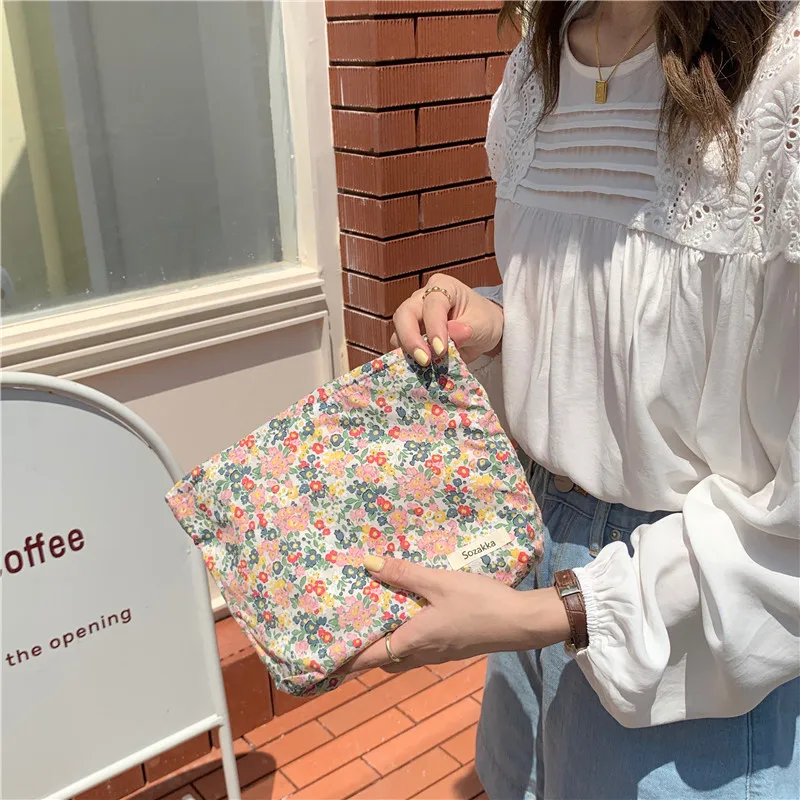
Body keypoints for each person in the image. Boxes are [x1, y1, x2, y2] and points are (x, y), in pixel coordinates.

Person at [342, 1, 800, 797]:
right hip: (532, 559)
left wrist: (555, 614)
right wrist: (498, 328)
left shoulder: (782, 85)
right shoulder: (539, 66)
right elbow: (649, 349)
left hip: (690, 634)